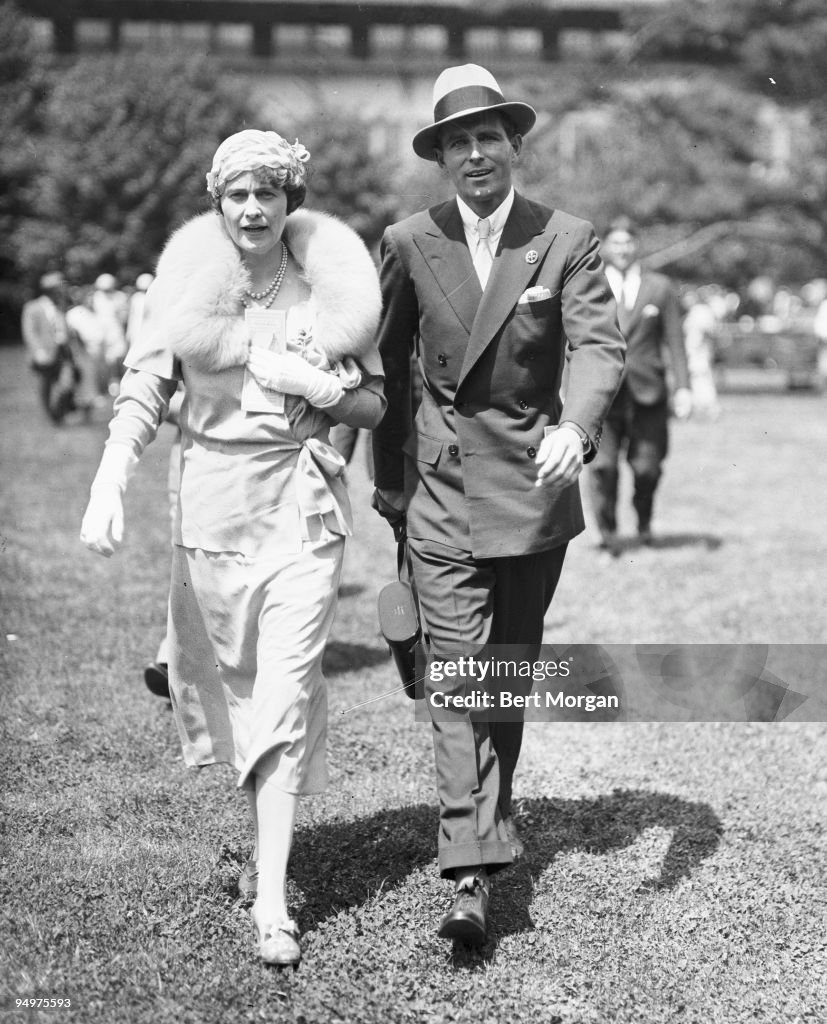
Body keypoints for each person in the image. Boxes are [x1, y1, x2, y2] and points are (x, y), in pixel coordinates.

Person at [80, 129, 384, 966]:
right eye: (238, 194)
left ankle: (275, 898)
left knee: (284, 694)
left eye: (269, 192)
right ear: (218, 201)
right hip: (214, 512)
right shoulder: (185, 283)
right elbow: (147, 383)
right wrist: (111, 473)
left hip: (305, 509)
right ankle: (263, 850)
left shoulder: (331, 280)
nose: (254, 208)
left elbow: (374, 408)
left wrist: (323, 388)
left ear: (291, 200)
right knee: (242, 694)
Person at [371, 64, 625, 946]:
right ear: (439, 157)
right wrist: (387, 485)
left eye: (488, 137)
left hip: (531, 486)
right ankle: (470, 875)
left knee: (500, 679)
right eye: (456, 142)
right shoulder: (407, 241)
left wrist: (576, 428)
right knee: (457, 676)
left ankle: (489, 814)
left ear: (513, 146)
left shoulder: (566, 238)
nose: (474, 153)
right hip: (440, 494)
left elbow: (597, 348)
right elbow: (387, 366)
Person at [588, 216, 692, 550]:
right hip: (602, 394)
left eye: (628, 243)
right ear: (605, 246)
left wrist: (684, 388)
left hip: (649, 393)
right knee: (603, 468)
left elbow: (675, 340)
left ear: (637, 245)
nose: (622, 249)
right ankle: (608, 532)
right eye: (615, 243)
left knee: (647, 468)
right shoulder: (590, 283)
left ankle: (644, 523)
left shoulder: (659, 287)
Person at [20, 271, 78, 423]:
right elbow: (30, 332)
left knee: (68, 381)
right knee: (46, 385)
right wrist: (38, 350)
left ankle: (58, 412)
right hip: (45, 352)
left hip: (63, 351)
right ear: (51, 289)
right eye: (59, 288)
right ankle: (51, 415)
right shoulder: (33, 307)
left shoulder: (61, 306)